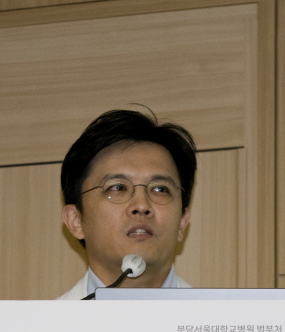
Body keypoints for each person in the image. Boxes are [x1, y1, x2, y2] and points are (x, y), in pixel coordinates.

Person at [57, 109, 196, 300]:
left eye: (160, 189)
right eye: (118, 187)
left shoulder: (224, 317)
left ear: (182, 221)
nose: (141, 205)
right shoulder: (39, 320)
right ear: (76, 220)